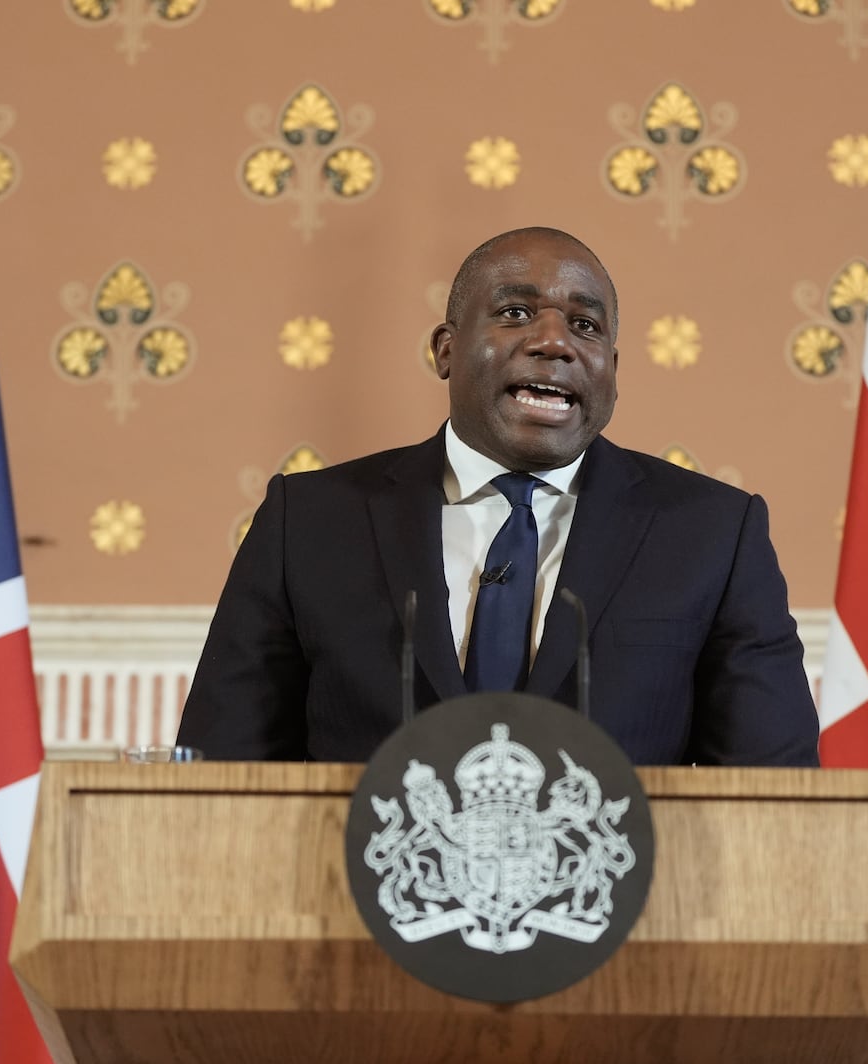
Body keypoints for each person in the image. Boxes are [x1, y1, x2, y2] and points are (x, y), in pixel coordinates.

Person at [176, 227, 820, 766]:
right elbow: (221, 774)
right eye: (515, 313)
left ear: (613, 374)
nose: (554, 342)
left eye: (585, 325)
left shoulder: (712, 534)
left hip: (626, 911)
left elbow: (776, 795)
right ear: (446, 350)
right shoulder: (309, 523)